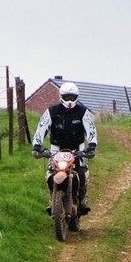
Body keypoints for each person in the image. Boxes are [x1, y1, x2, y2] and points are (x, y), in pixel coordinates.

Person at [32, 81, 97, 214]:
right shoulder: (52, 111)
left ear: (76, 97)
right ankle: (53, 200)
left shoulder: (82, 112)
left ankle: (83, 200)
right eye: (66, 97)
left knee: (83, 173)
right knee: (50, 173)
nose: (69, 100)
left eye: (72, 97)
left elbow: (91, 129)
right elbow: (41, 128)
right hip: (56, 148)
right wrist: (37, 146)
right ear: (61, 96)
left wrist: (91, 146)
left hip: (77, 148)